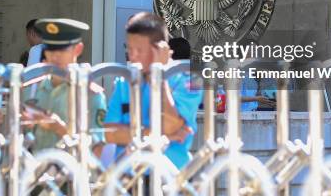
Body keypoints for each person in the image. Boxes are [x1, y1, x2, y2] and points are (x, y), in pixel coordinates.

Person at [104, 12, 203, 171]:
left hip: (169, 176)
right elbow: (110, 133)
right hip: (127, 178)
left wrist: (159, 75)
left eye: (139, 49)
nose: (132, 56)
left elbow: (169, 125)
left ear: (161, 48)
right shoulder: (124, 82)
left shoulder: (191, 80)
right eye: (129, 49)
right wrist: (160, 136)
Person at [22, 18, 107, 158]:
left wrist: (59, 128)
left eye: (62, 50)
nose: (55, 56)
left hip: (73, 175)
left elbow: (96, 151)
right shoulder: (31, 89)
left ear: (78, 49)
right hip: (36, 174)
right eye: (50, 49)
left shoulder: (90, 94)